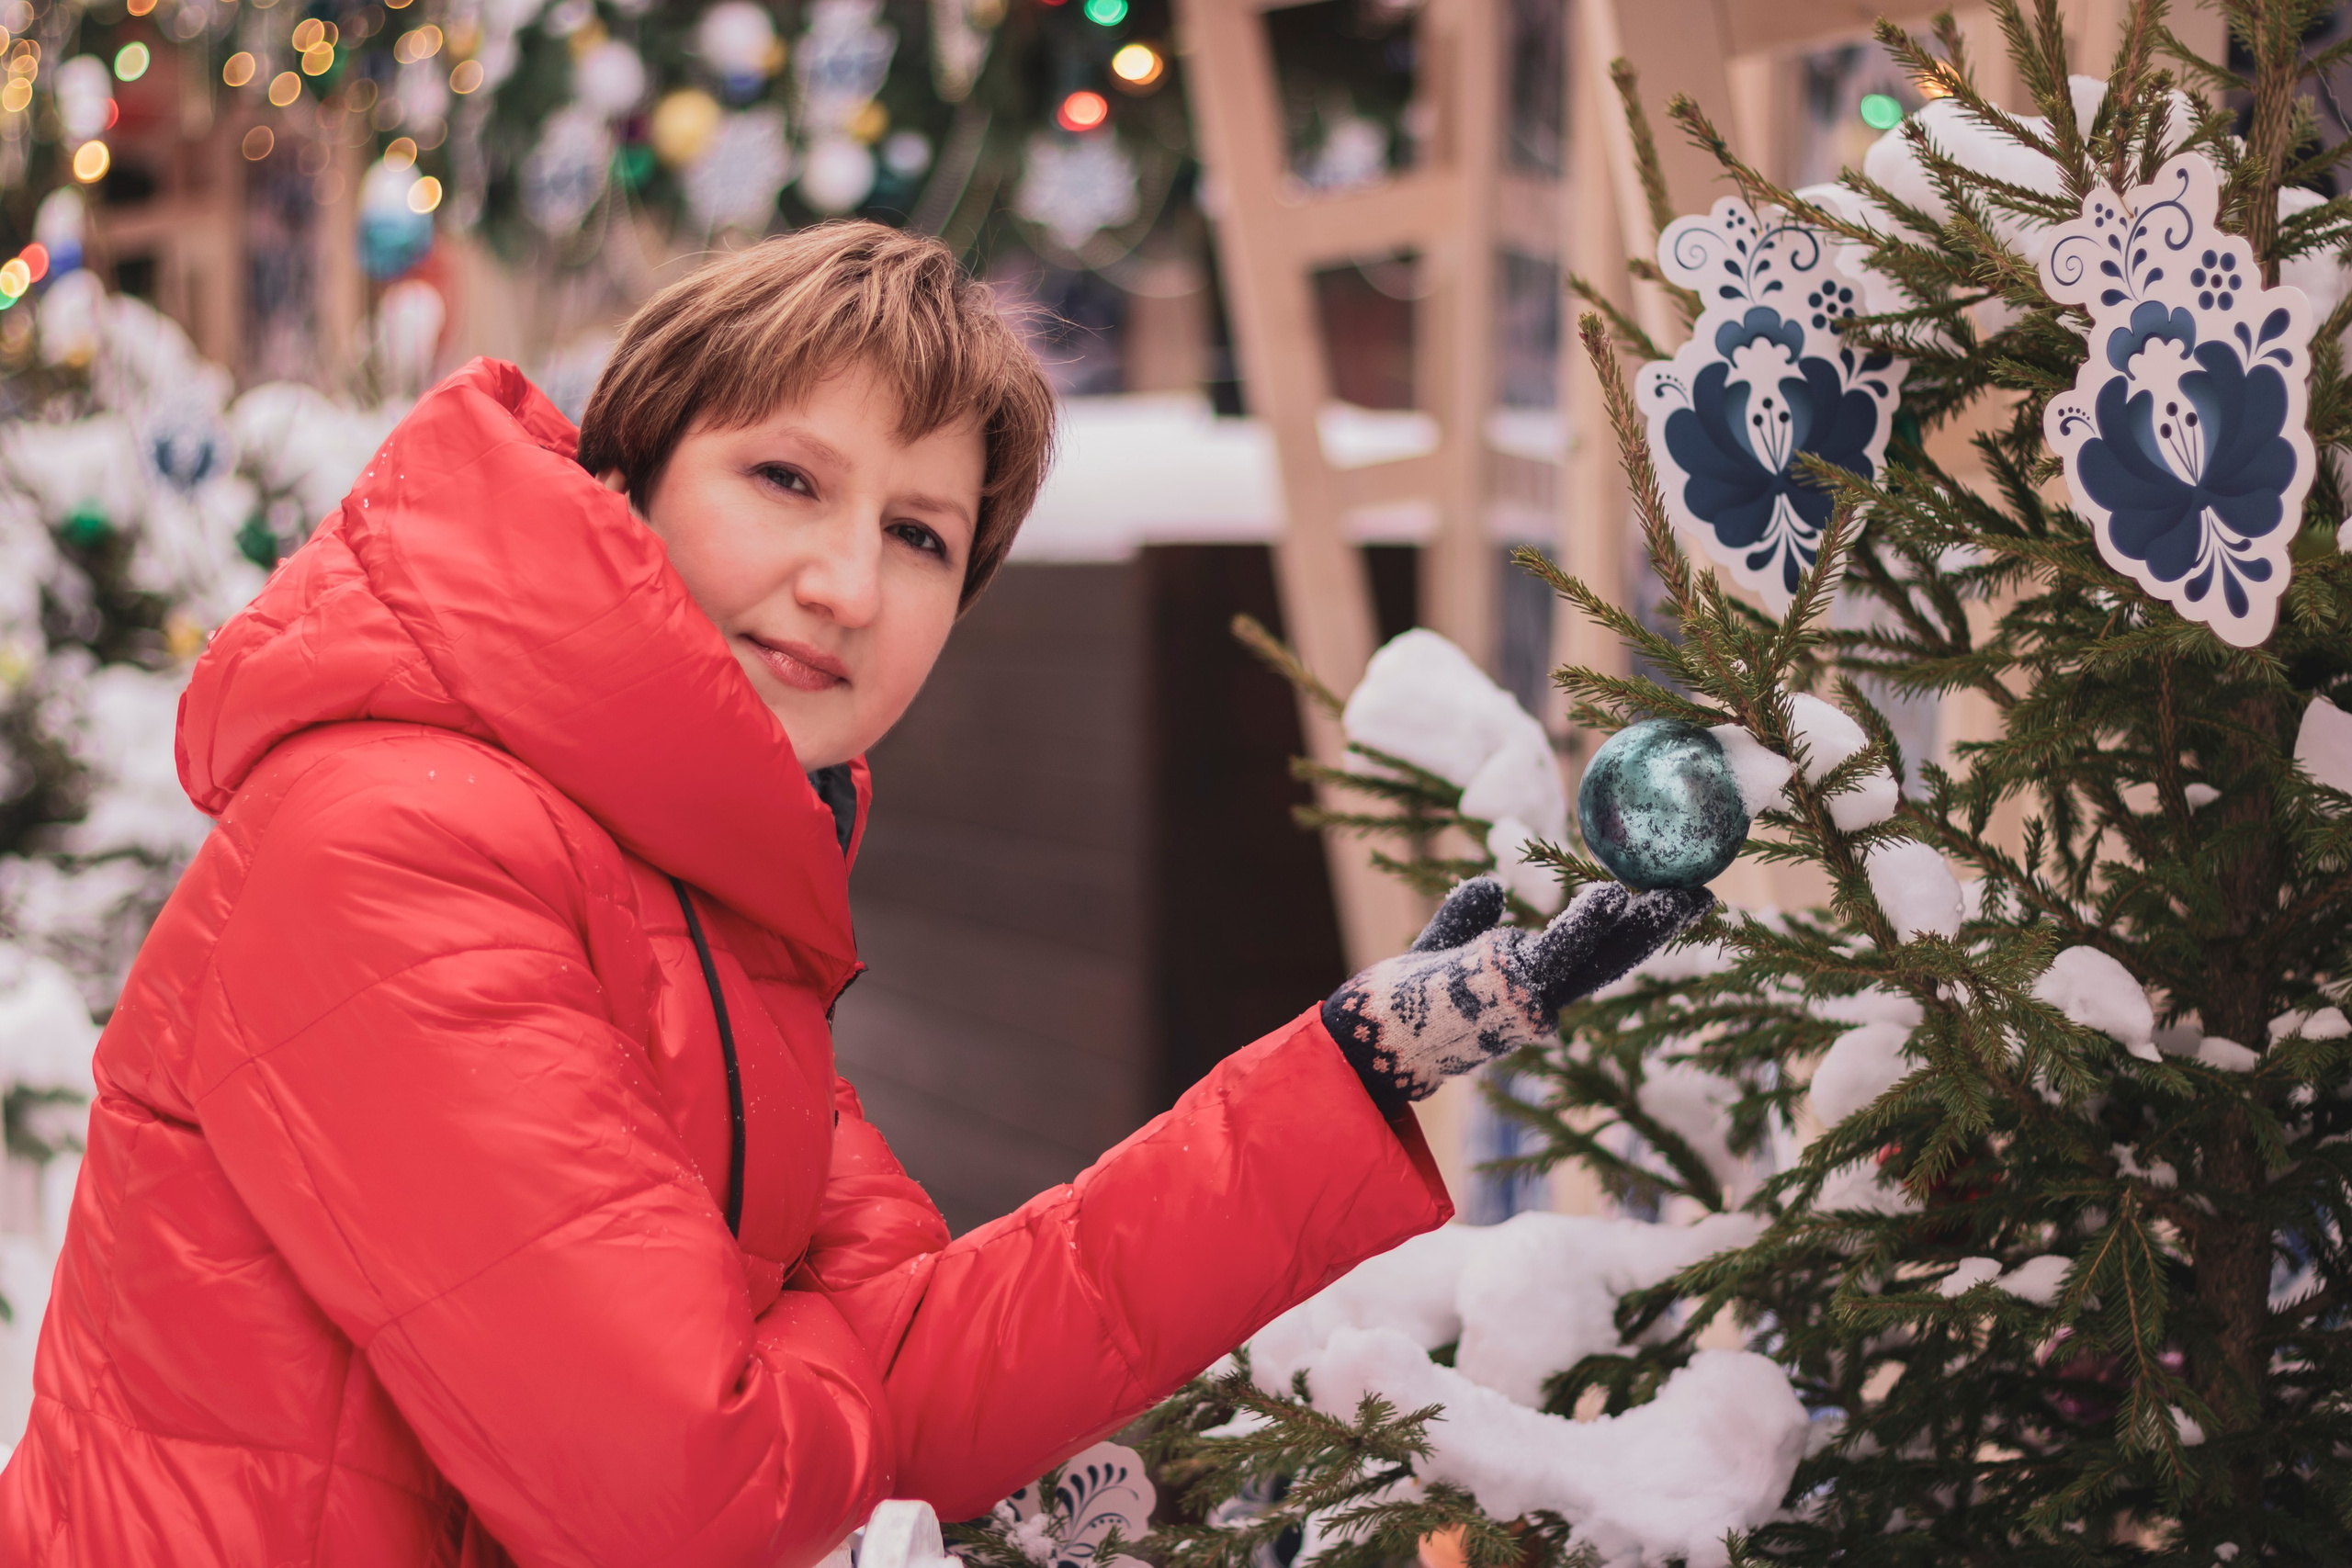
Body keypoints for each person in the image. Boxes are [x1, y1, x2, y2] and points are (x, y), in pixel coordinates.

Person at [0, 223, 1708, 1567]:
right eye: (788, 480)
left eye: (920, 536)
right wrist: (838, 1381)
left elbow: (929, 1364)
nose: (840, 585)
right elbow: (682, 1498)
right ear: (630, 481)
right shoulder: (399, 841)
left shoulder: (699, 905)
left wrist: (1343, 1070)